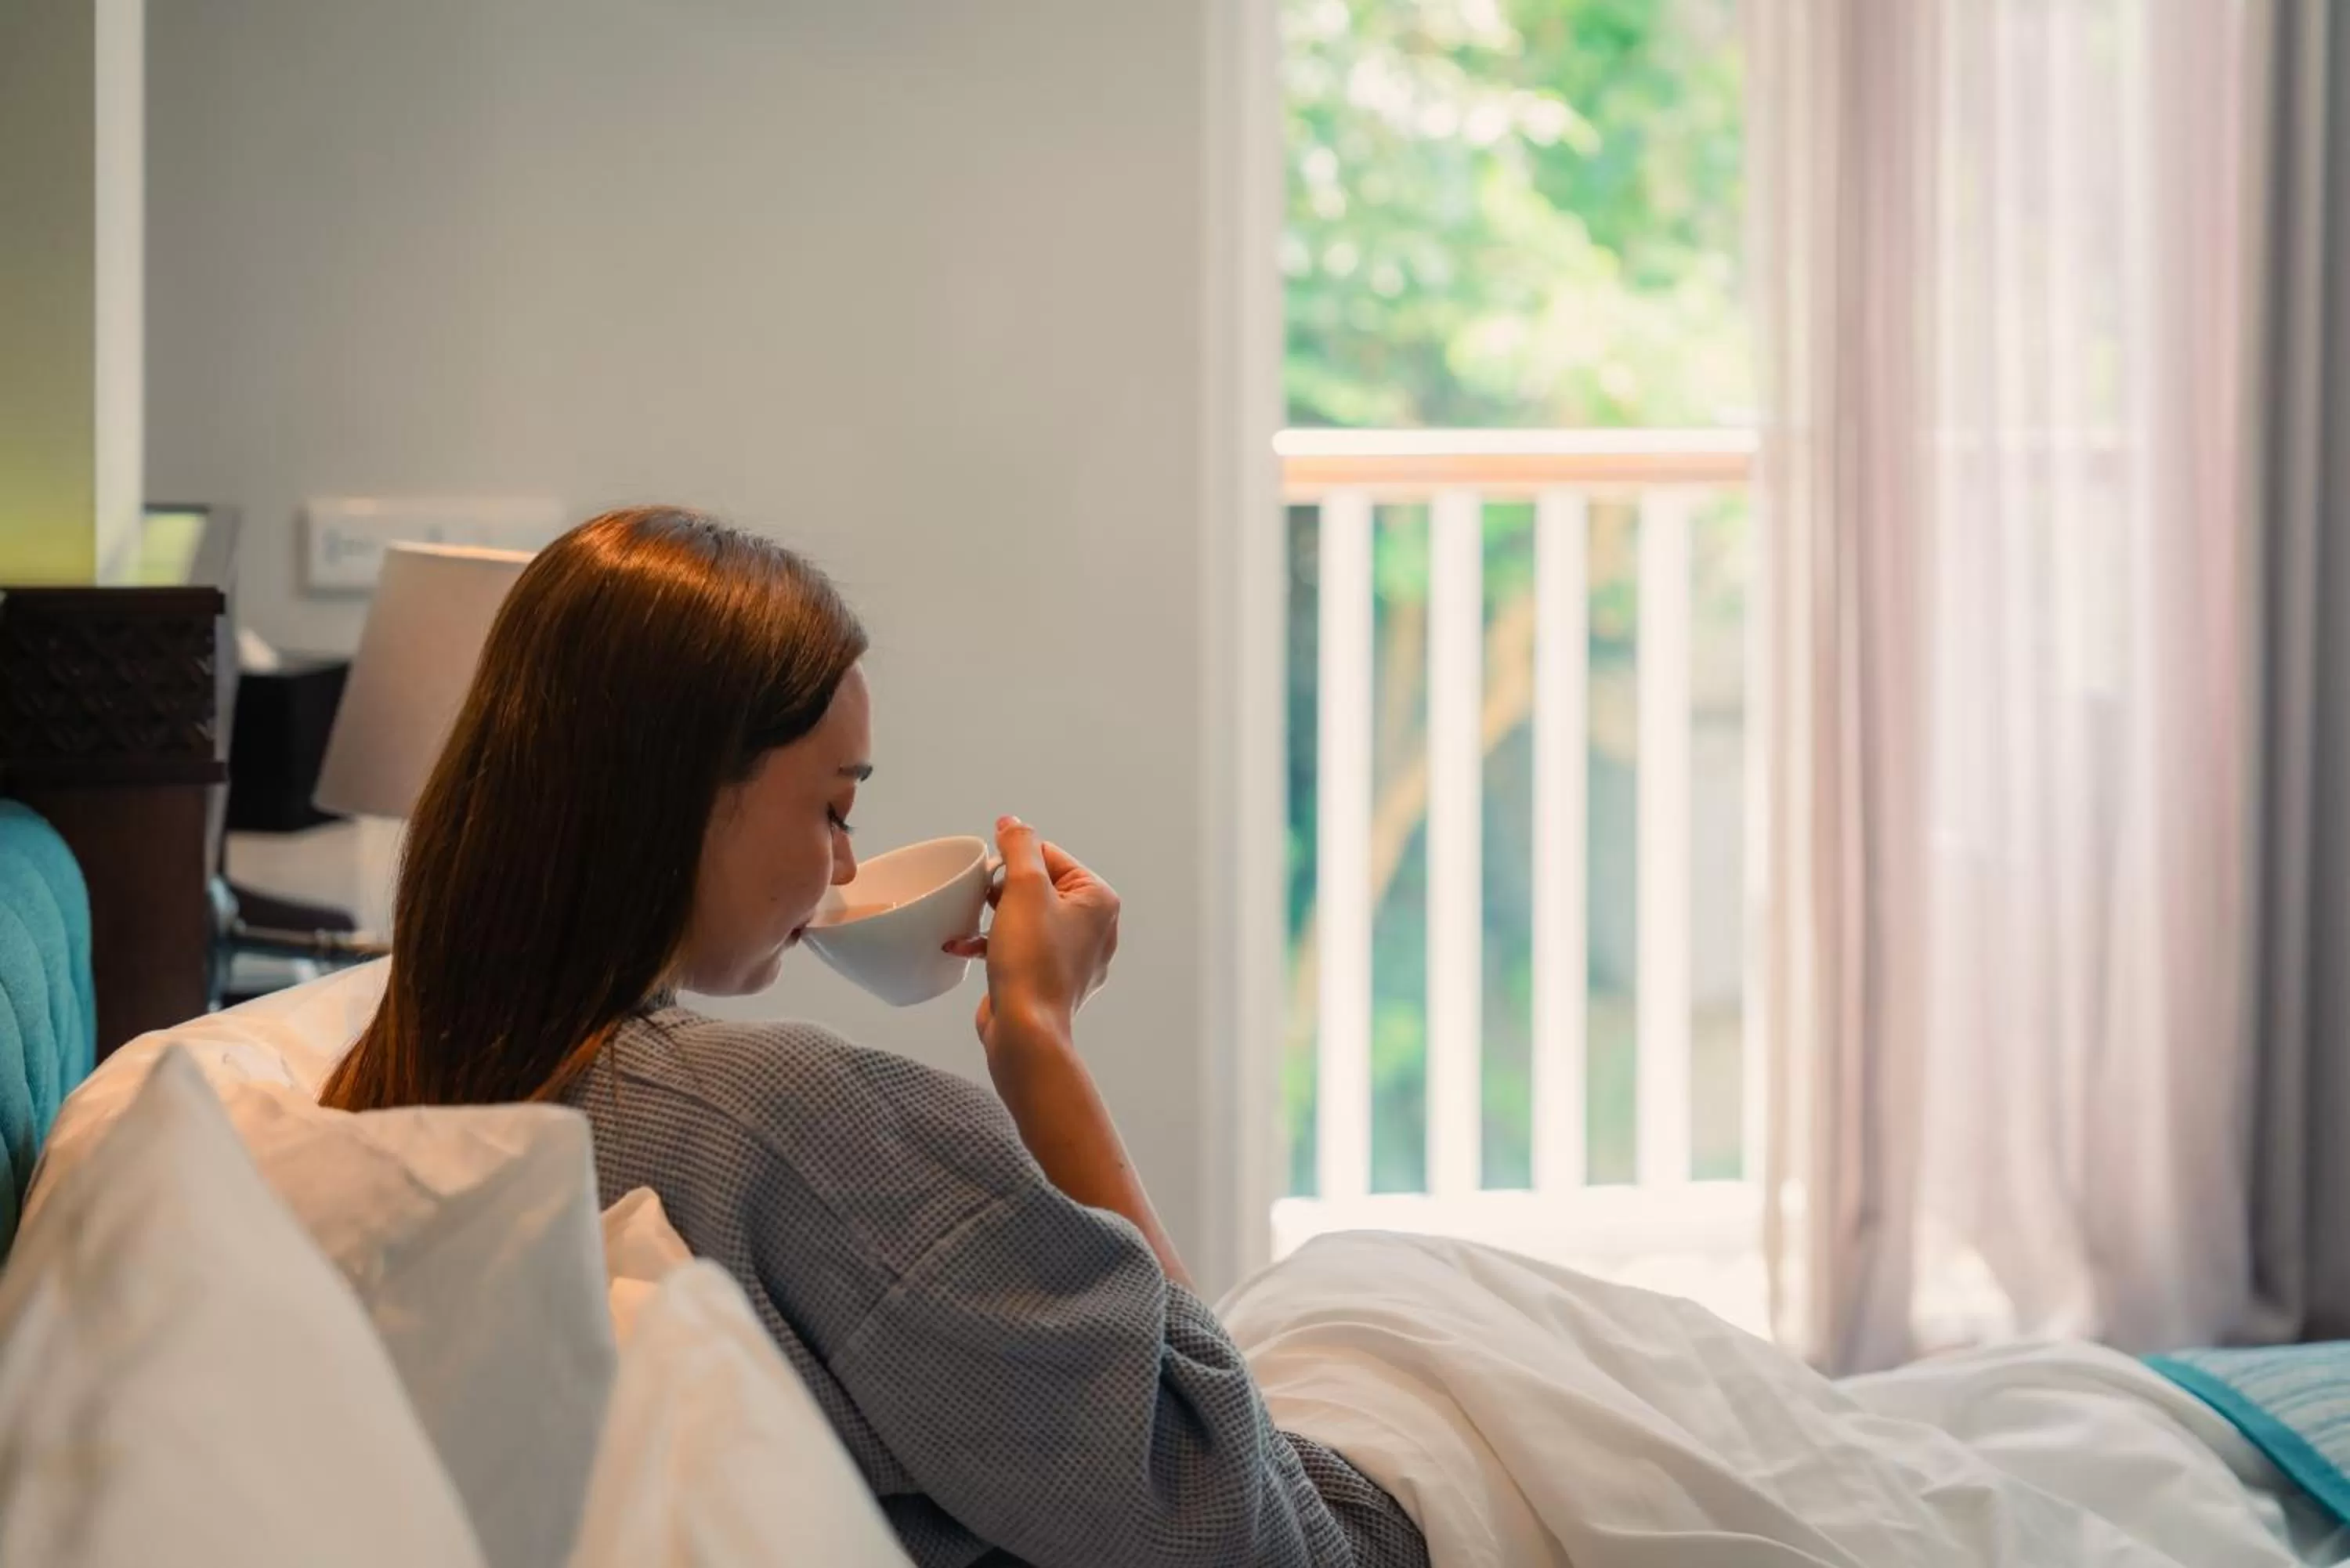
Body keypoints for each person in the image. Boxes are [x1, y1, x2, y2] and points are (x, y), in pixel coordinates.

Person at [320, 508, 1428, 1568]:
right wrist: (1040, 1043)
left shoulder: (403, 1084)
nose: (845, 868)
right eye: (834, 810)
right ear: (683, 795)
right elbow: (1249, 1519)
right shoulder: (782, 1123)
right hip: (1377, 1512)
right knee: (1422, 1302)